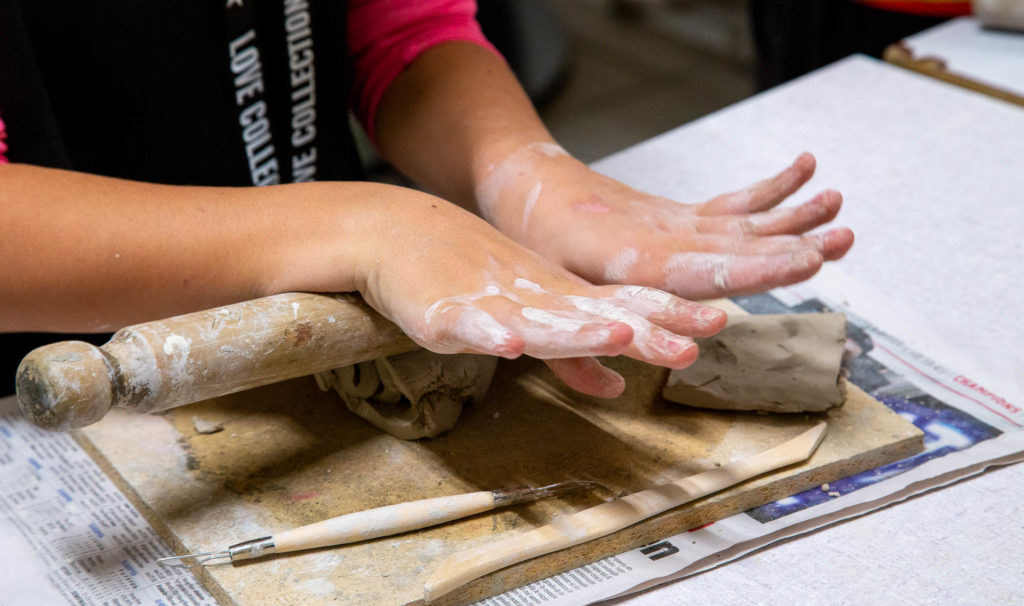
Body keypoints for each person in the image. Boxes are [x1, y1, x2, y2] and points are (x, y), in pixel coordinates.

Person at [0, 0, 853, 399]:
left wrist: (523, 175)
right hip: (50, 396)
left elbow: (400, 25)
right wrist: (362, 224)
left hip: (303, 351)